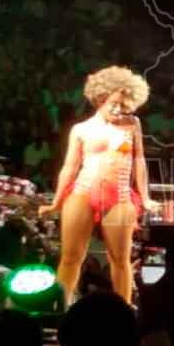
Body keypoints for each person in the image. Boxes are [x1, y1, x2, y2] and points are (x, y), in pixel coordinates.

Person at [39, 66, 157, 306]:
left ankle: (124, 312)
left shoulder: (132, 124)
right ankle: (58, 309)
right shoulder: (81, 129)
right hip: (83, 192)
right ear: (101, 98)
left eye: (124, 106)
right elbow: (70, 167)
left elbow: (139, 161)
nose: (118, 109)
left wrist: (145, 197)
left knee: (120, 260)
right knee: (70, 258)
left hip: (119, 196)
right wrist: (56, 202)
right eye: (114, 103)